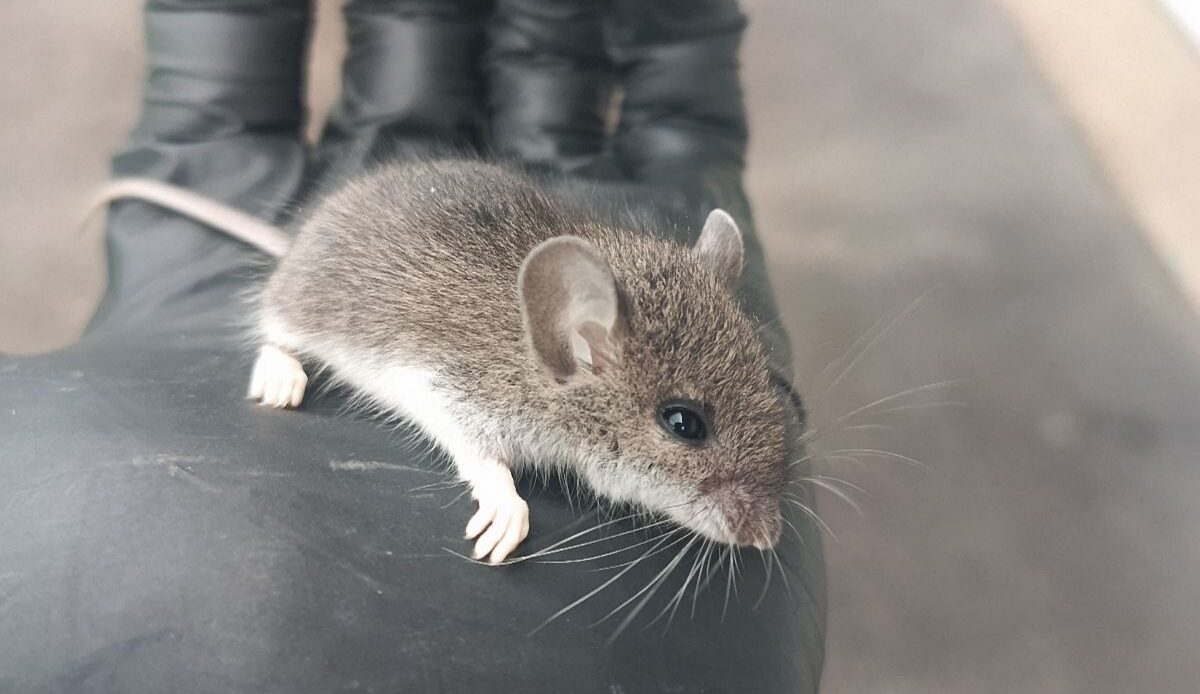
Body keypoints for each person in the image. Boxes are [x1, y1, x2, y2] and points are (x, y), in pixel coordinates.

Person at [0, 1, 825, 691]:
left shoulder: (616, 356)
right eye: (684, 424)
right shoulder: (527, 371)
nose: (759, 524)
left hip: (480, 218)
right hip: (346, 269)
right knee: (294, 318)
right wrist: (493, 479)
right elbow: (443, 389)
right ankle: (278, 341)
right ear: (577, 349)